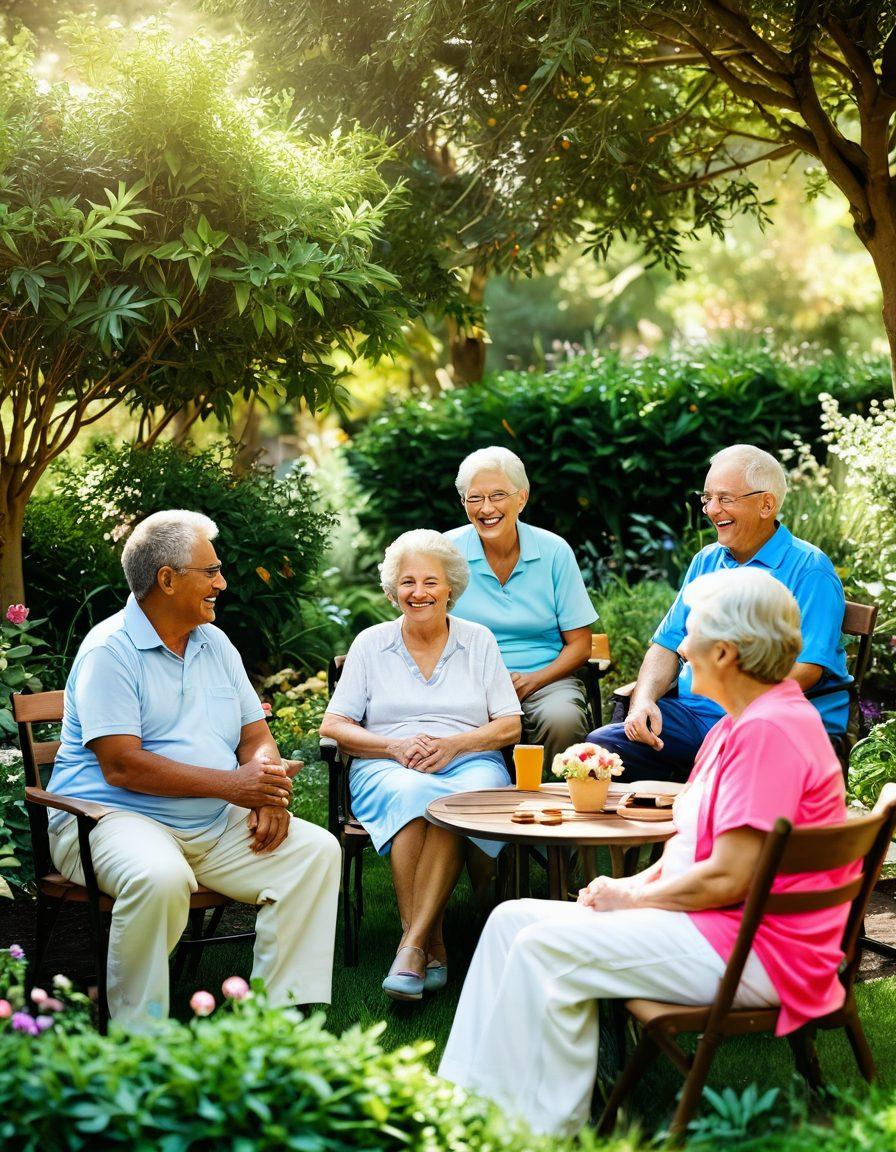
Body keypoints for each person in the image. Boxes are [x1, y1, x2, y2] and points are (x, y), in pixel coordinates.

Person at [440, 568, 856, 1136]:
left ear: (729, 652)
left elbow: (727, 880)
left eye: (694, 634)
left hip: (756, 949)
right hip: (722, 926)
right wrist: (632, 890)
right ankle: (466, 1108)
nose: (681, 647)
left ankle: (543, 1131)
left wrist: (632, 895)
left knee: (543, 948)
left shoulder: (770, 733)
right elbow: (695, 850)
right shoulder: (740, 724)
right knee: (510, 920)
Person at [47, 510, 341, 1027]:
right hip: (107, 820)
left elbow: (256, 738)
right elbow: (121, 766)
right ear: (167, 579)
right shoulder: (109, 651)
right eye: (210, 571)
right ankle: (140, 1033)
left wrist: (267, 791)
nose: (221, 583)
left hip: (207, 822)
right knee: (160, 876)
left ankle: (278, 1022)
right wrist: (237, 786)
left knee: (314, 852)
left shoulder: (215, 643)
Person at [319, 529, 522, 1001]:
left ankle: (411, 944)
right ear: (393, 592)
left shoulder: (479, 641)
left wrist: (455, 745)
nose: (419, 592)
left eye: (430, 581)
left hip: (469, 759)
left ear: (451, 587)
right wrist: (392, 748)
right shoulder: (371, 643)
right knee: (412, 794)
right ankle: (432, 943)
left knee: (454, 802)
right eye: (407, 583)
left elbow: (509, 724)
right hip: (388, 764)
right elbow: (333, 725)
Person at [589, 443, 850, 782]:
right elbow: (667, 644)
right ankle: (664, 831)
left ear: (766, 504)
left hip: (773, 720)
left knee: (724, 758)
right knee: (604, 749)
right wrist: (643, 701)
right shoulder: (707, 560)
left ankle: (692, 825)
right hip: (694, 716)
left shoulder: (810, 569)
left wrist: (739, 707)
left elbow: (807, 669)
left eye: (725, 499)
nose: (711, 509)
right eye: (707, 498)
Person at [445, 446, 597, 771]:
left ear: (521, 498)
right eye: (475, 498)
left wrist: (532, 681)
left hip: (544, 678)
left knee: (563, 718)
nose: (486, 508)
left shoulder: (554, 551)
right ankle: (474, 812)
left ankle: (565, 809)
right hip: (466, 684)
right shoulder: (445, 553)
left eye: (498, 495)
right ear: (463, 503)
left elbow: (581, 645)